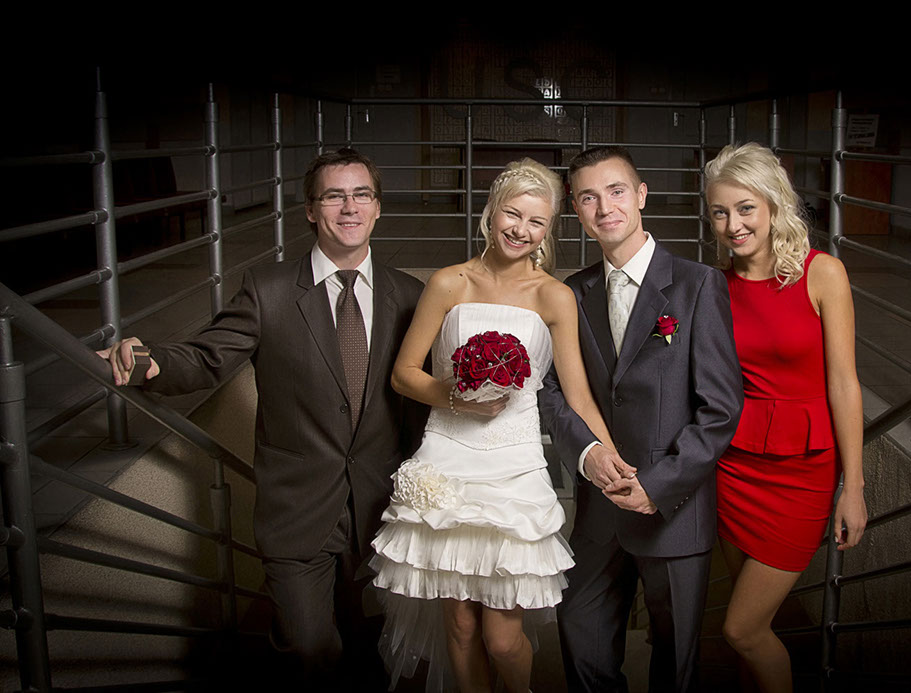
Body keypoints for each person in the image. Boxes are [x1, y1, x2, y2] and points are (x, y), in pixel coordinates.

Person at [99, 148, 426, 689]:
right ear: (310, 210)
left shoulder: (411, 295)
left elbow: (424, 402)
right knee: (308, 648)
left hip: (383, 510)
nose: (349, 207)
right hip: (297, 511)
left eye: (361, 195)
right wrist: (148, 362)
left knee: (376, 651)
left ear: (377, 207)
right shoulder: (267, 289)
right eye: (334, 196)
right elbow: (207, 357)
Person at [369, 158, 620, 693]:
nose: (520, 230)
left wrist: (610, 454)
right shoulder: (449, 282)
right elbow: (403, 374)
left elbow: (577, 395)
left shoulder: (555, 296)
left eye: (536, 222)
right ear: (491, 212)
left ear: (548, 231)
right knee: (460, 627)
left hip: (514, 467)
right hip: (448, 458)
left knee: (503, 639)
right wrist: (456, 399)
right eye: (512, 214)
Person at [538, 146, 744, 693]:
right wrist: (587, 453)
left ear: (641, 195)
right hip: (599, 511)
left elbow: (721, 408)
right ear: (576, 210)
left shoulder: (697, 284)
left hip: (672, 510)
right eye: (588, 197)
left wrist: (657, 485)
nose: (605, 207)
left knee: (675, 665)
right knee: (579, 632)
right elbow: (553, 392)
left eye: (616, 191)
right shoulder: (572, 292)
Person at [704, 142, 868, 693]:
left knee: (742, 628)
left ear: (774, 205)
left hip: (803, 471)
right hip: (735, 466)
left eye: (745, 208)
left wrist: (853, 486)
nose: (733, 224)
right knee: (748, 626)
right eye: (720, 212)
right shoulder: (714, 286)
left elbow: (844, 383)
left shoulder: (823, 274)